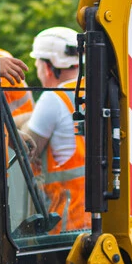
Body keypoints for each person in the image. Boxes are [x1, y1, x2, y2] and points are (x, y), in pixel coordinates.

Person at [21, 27, 88, 232]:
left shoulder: (53, 98)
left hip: (67, 228)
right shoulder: (98, 90)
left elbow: (26, 148)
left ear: (48, 67)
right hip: (101, 222)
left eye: (38, 65)